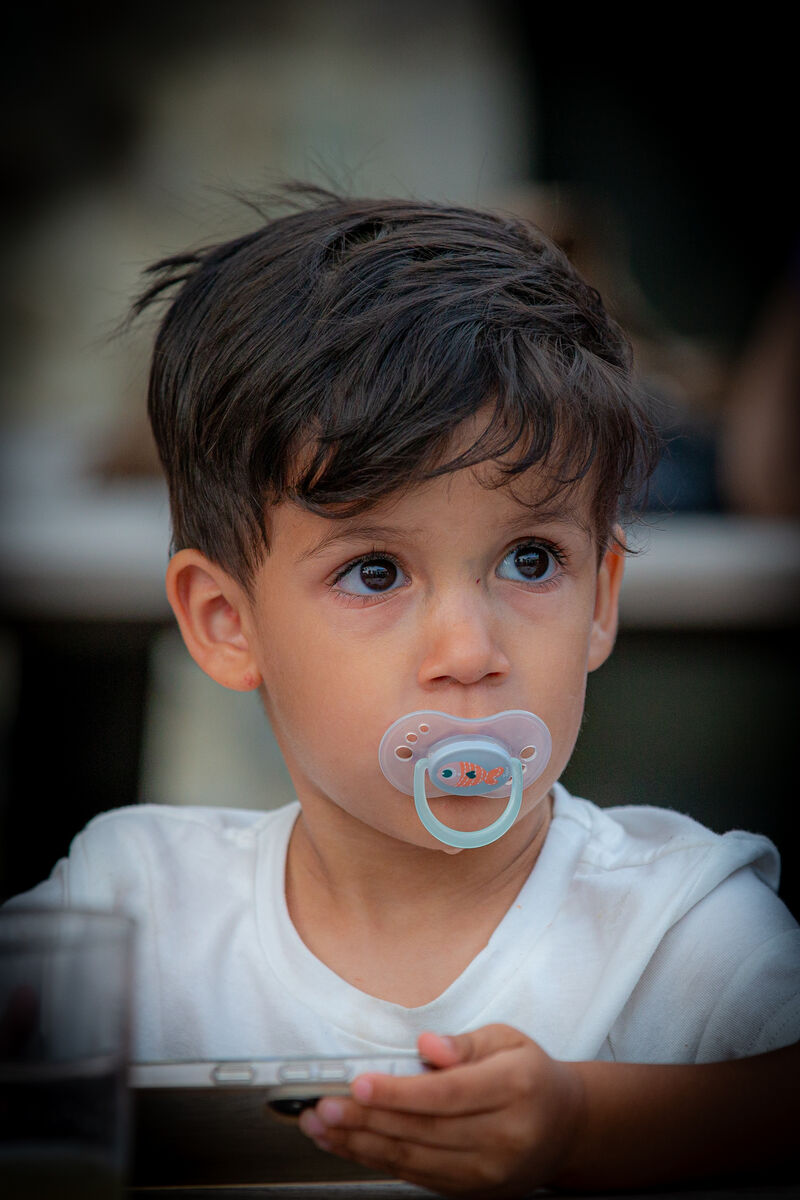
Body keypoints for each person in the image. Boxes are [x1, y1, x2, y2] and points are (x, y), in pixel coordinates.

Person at [8, 187, 799, 1194]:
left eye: (529, 560)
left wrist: (583, 1124)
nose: (469, 650)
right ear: (226, 623)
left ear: (601, 601)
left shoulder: (673, 924)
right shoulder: (140, 907)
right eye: (375, 572)